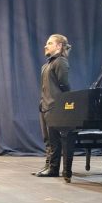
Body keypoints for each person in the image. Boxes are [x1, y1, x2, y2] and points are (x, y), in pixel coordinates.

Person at [34, 34, 71, 179]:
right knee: (47, 139)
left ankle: (54, 168)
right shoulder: (46, 65)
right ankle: (48, 165)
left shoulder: (60, 62)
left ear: (59, 46)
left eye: (49, 43)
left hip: (55, 106)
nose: (46, 46)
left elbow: (64, 85)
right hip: (45, 105)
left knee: (54, 140)